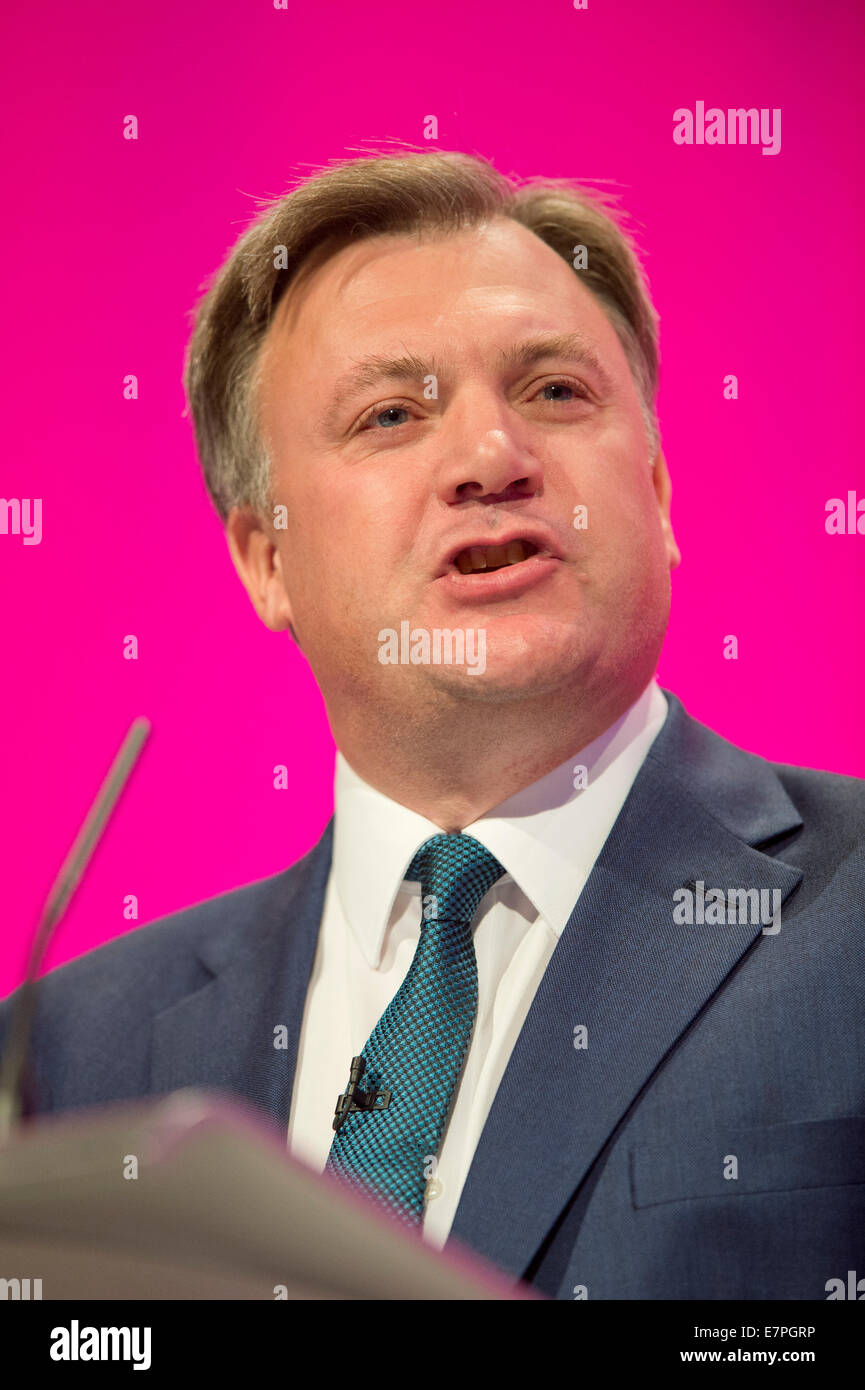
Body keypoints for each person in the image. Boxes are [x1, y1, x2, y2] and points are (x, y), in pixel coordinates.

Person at [2, 149, 863, 1300]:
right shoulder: (69, 1054)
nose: (492, 459)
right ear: (268, 559)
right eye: (392, 413)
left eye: (555, 392)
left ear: (655, 496)